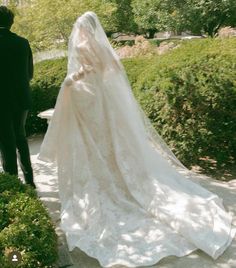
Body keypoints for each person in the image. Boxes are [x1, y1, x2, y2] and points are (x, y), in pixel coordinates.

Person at [39, 11, 235, 267]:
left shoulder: (84, 42)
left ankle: (110, 181)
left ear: (82, 28)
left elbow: (99, 68)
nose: (80, 31)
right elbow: (114, 68)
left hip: (89, 96)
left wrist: (79, 76)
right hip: (91, 98)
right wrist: (92, 77)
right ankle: (110, 177)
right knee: (101, 143)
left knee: (100, 143)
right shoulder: (96, 43)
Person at [0, 6, 35, 189]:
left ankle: (13, 184)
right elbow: (29, 73)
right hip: (22, 99)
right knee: (21, 138)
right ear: (11, 22)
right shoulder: (23, 43)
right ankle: (30, 181)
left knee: (6, 142)